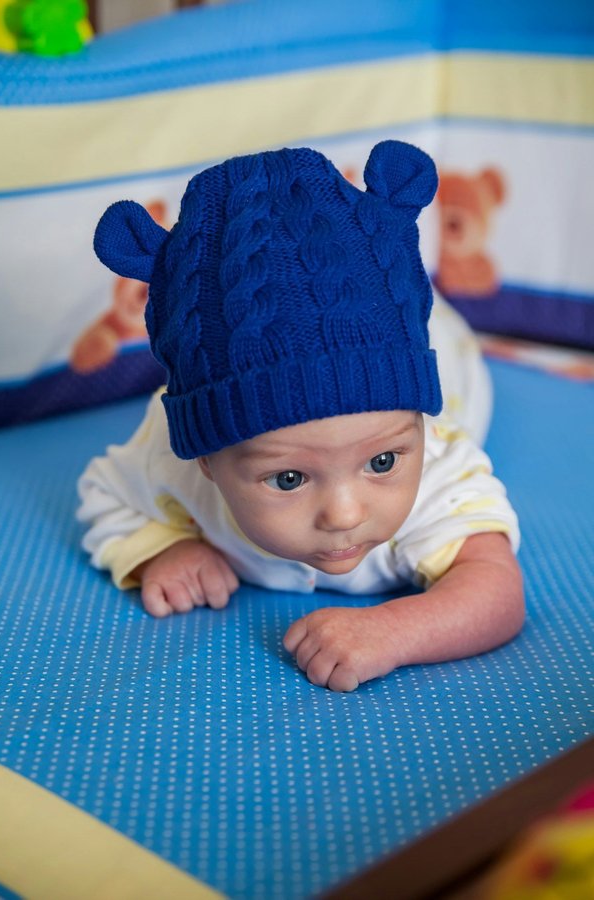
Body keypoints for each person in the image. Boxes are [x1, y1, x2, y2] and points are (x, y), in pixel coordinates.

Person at [77, 140, 524, 692]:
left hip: (436, 355)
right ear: (208, 462)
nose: (344, 513)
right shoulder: (172, 457)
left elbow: (497, 591)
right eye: (289, 478)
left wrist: (394, 631)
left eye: (382, 461)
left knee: (442, 340)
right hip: (248, 379)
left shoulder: (436, 474)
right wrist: (161, 550)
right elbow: (106, 492)